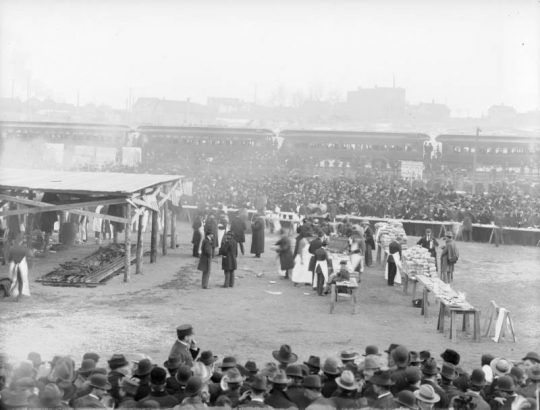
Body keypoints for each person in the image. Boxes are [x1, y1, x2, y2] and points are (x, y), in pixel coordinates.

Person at [6, 235, 33, 301]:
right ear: (21, 241)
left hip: (14, 266)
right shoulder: (24, 249)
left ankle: (10, 293)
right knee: (20, 281)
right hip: (21, 266)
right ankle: (19, 295)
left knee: (13, 280)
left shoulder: (11, 248)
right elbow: (31, 255)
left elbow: (9, 259)